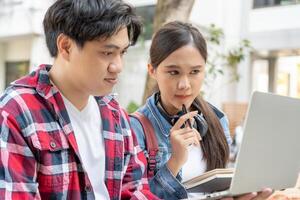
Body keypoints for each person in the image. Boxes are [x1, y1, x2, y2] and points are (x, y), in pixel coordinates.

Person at [0, 0, 159, 199]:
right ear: (66, 46)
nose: (118, 66)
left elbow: (135, 191)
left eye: (122, 52)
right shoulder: (17, 112)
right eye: (107, 52)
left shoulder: (115, 114)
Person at [130, 21, 272, 200]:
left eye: (195, 71)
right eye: (173, 72)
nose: (184, 85)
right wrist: (175, 162)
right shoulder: (135, 128)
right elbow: (133, 196)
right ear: (152, 70)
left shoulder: (217, 119)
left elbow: (221, 189)